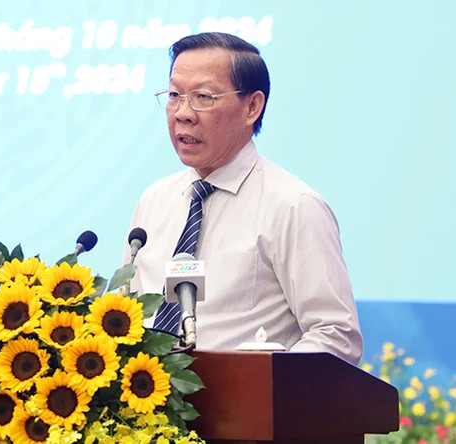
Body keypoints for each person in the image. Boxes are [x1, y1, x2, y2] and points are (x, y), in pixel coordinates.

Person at [122, 32, 363, 365]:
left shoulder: (293, 206)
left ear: (252, 106)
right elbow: (126, 313)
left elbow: (335, 334)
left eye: (203, 96)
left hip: (245, 410)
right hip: (148, 405)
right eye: (175, 94)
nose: (182, 113)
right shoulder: (154, 200)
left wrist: (263, 385)